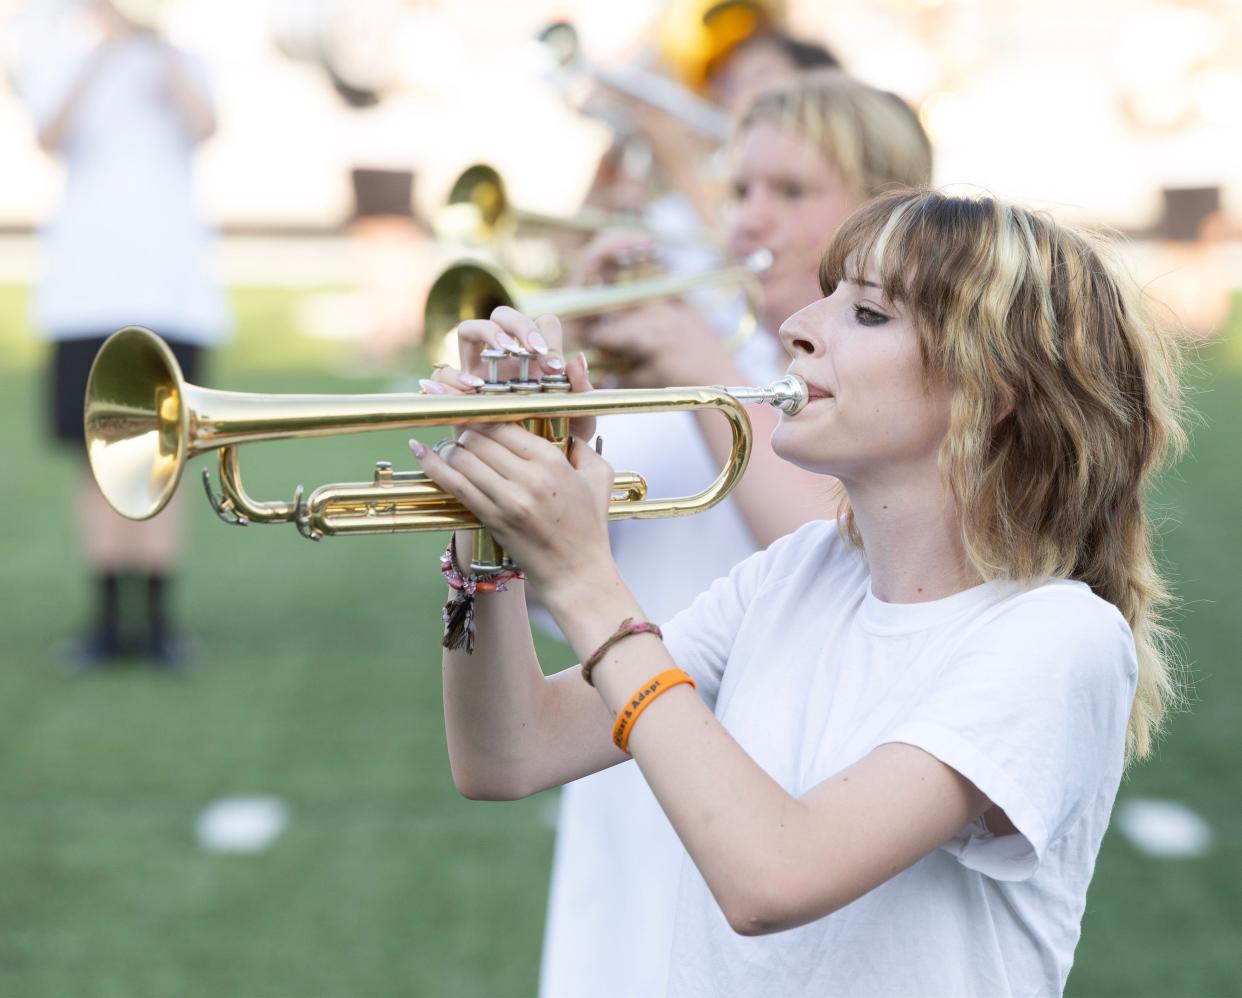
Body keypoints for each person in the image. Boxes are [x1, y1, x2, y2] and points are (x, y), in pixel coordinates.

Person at [411, 187, 1185, 996]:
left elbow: (774, 878)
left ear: (992, 392)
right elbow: (509, 753)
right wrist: (489, 539)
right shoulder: (798, 571)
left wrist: (582, 575)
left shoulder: (1059, 636)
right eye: (828, 296)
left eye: (870, 314)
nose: (796, 328)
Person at [527, 71, 931, 998]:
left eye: (792, 193)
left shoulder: (863, 399)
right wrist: (545, 415)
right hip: (625, 767)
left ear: (884, 222)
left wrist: (711, 370)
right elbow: (551, 584)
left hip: (787, 786)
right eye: (740, 188)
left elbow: (835, 535)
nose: (748, 218)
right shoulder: (672, 358)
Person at [20, 0, 229, 669]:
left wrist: (152, 43)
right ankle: (107, 617)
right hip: (84, 294)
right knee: (94, 462)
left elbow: (205, 124)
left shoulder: (183, 58)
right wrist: (102, 49)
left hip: (171, 293)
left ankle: (161, 619)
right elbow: (46, 135)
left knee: (164, 458)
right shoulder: (62, 53)